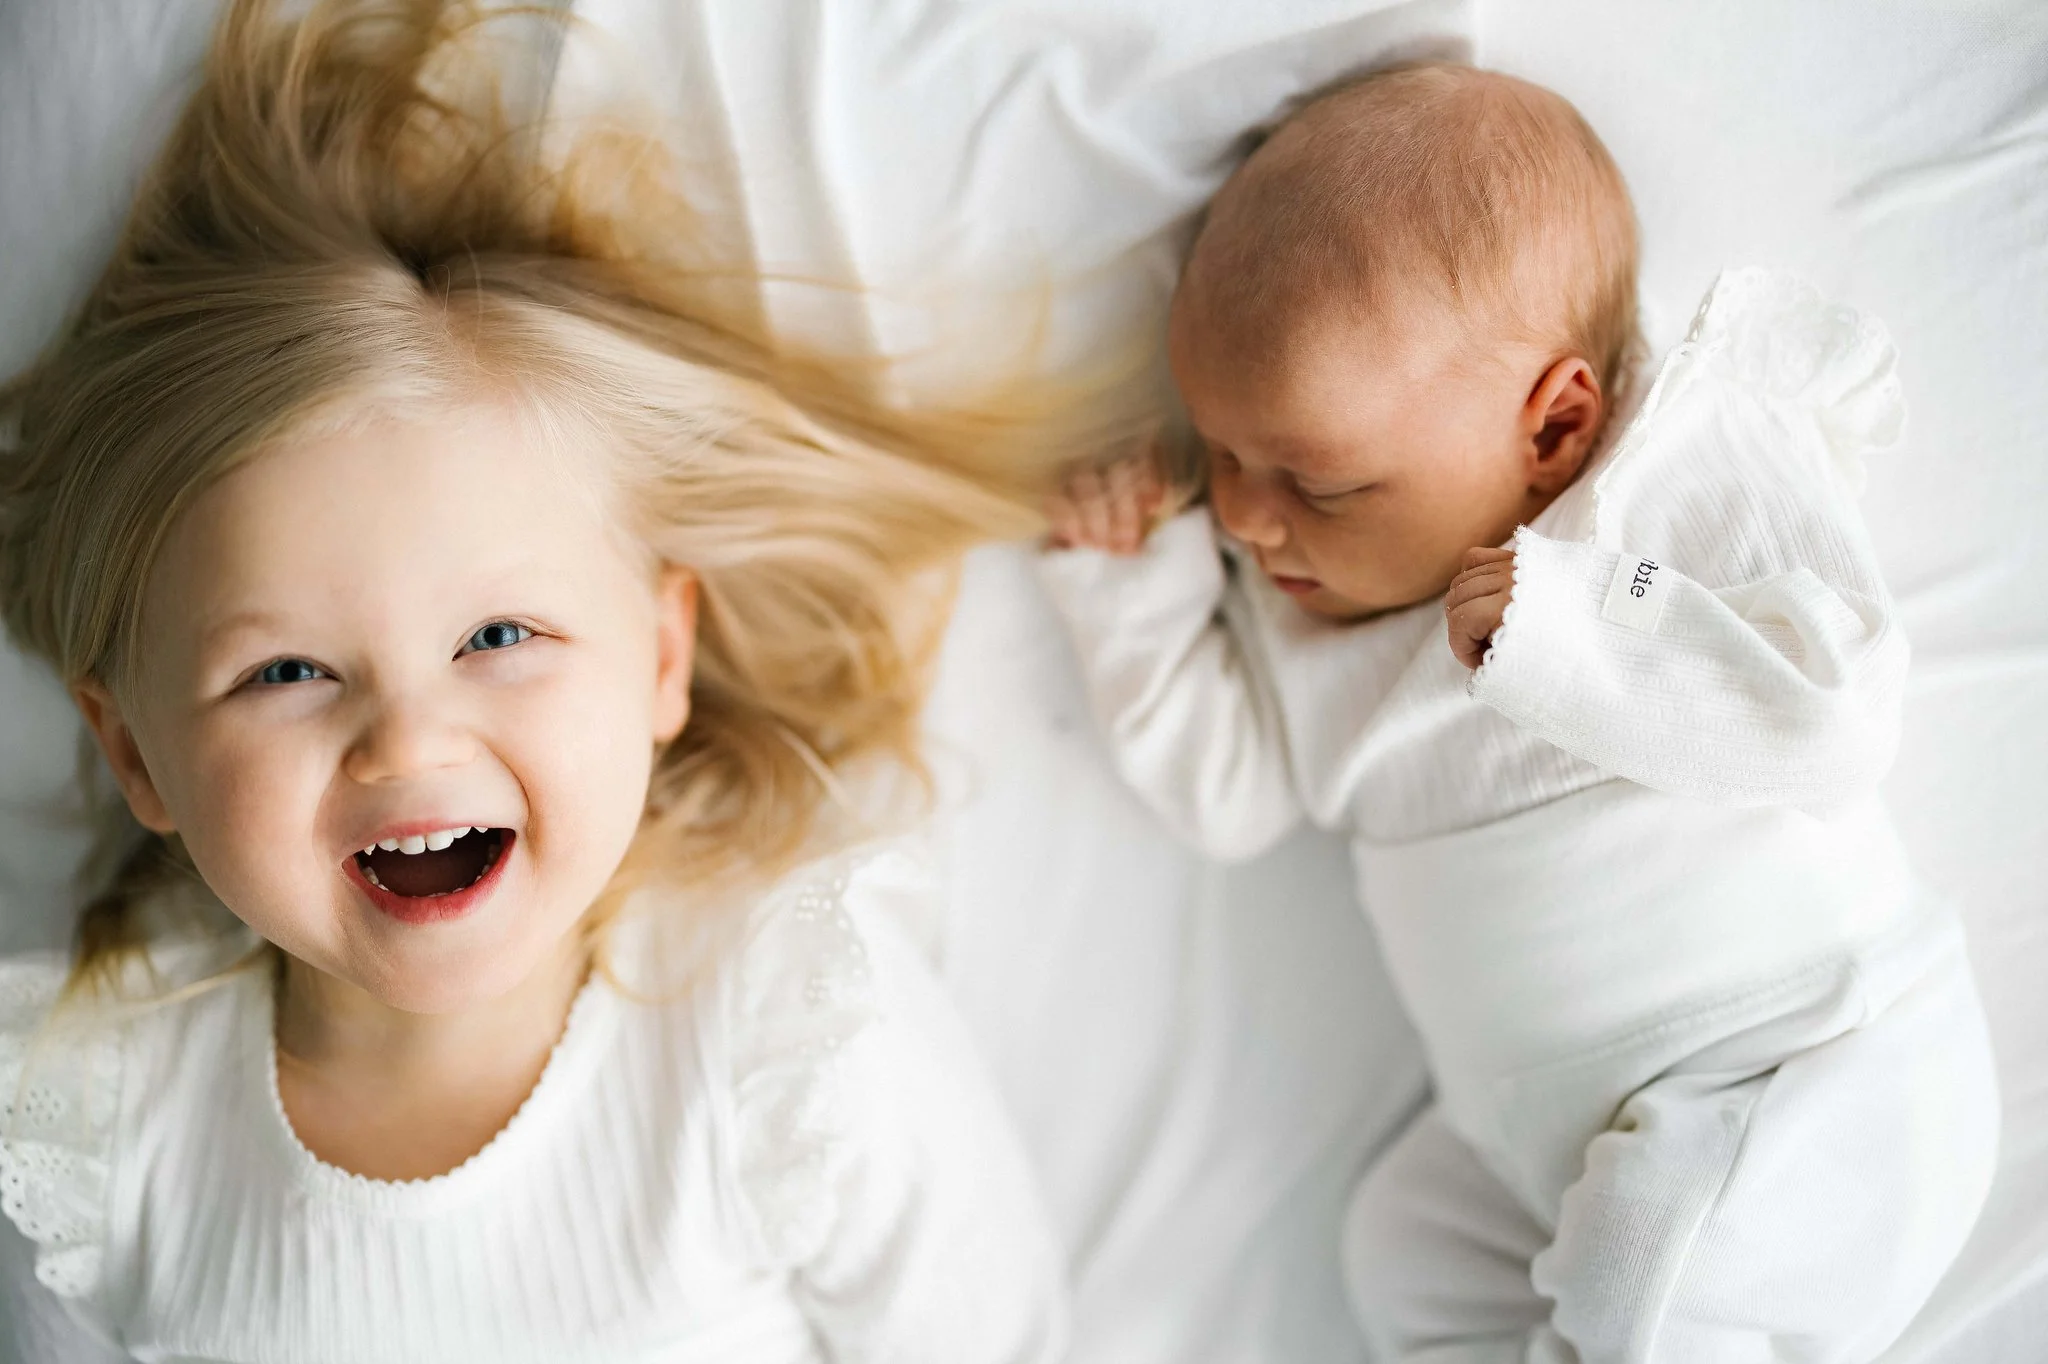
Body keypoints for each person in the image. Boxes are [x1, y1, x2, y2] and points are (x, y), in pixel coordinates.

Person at [0, 3, 1067, 1360]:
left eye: (499, 638)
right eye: (284, 670)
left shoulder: (780, 1047)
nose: (406, 739)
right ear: (136, 756)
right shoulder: (89, 1130)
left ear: (662, 659)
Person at [1041, 61, 1997, 1362]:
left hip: (1795, 1081)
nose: (1249, 522)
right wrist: (1131, 592)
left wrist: (1571, 643)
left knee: (1640, 1273)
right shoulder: (1314, 617)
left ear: (1553, 428)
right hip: (1541, 1148)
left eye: (1316, 483)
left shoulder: (1666, 479)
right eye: (1221, 458)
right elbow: (1229, 789)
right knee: (1399, 1252)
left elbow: (1837, 720)